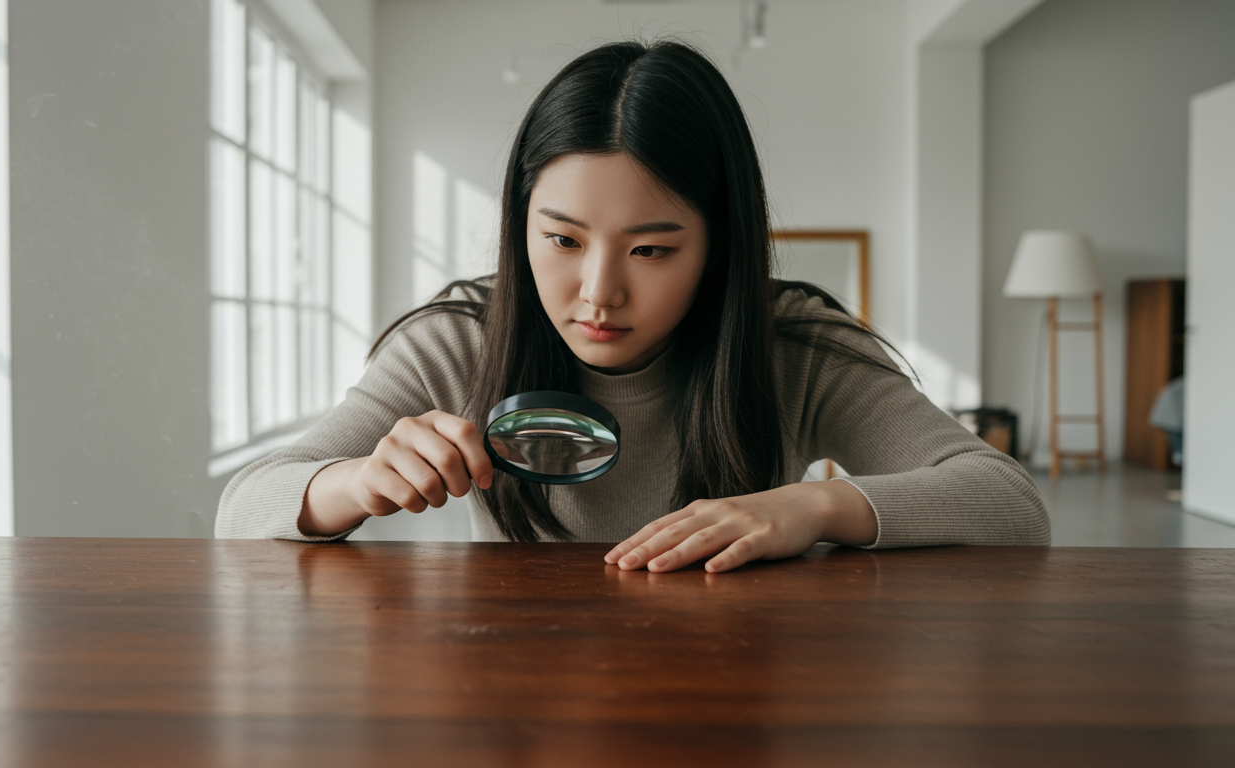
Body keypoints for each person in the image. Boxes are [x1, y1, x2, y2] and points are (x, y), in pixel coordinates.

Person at [215, 40, 1049, 572]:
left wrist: (813, 506)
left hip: (730, 687)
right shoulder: (461, 339)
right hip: (515, 702)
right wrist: (356, 481)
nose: (597, 293)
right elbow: (245, 503)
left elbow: (1009, 502)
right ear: (519, 227)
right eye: (563, 240)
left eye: (651, 251)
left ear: (720, 243)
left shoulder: (788, 343)